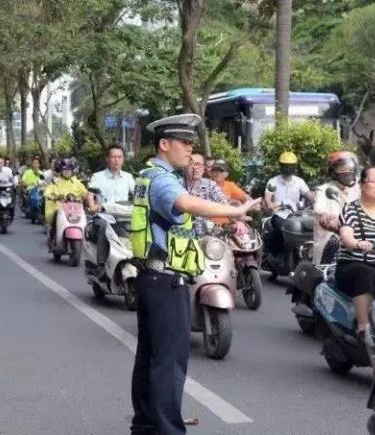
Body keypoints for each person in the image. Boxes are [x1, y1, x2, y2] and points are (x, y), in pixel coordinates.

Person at [129, 114, 260, 435]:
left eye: (191, 143)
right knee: (169, 361)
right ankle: (166, 429)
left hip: (153, 277)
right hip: (165, 280)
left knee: (150, 356)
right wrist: (236, 211)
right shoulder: (162, 180)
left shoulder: (150, 174)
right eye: (185, 143)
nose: (190, 150)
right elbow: (186, 203)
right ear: (164, 144)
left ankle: (145, 425)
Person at [335, 166, 375, 336]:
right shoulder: (350, 210)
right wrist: (357, 243)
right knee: (366, 272)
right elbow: (347, 237)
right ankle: (364, 327)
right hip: (352, 266)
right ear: (362, 185)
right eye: (374, 181)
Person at [86, 146, 136, 277]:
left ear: (123, 159)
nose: (116, 160)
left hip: (123, 217)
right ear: (107, 159)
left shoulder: (128, 177)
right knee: (103, 227)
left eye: (119, 157)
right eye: (113, 157)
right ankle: (101, 265)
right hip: (104, 216)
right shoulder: (98, 177)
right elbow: (90, 194)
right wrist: (93, 206)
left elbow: (137, 195)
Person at [313, 151, 360, 264]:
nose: (347, 172)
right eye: (343, 169)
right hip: (331, 238)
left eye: (350, 169)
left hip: (356, 235)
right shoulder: (324, 190)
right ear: (333, 172)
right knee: (334, 243)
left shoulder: (356, 190)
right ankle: (324, 278)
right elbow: (321, 212)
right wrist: (334, 221)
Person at [263, 151, 314, 253]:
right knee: (285, 231)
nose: (288, 168)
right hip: (278, 215)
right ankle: (282, 259)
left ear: (295, 167)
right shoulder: (273, 182)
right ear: (281, 166)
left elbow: (311, 197)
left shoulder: (299, 182)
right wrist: (279, 204)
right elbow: (267, 202)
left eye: (291, 166)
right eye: (285, 166)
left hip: (296, 215)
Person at [44, 159, 97, 240]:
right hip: (59, 208)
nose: (67, 172)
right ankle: (53, 235)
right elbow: (47, 193)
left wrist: (88, 196)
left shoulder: (77, 182)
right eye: (65, 170)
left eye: (69, 170)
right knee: (55, 217)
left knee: (87, 219)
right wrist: (57, 197)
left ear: (72, 171)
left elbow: (85, 193)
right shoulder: (55, 182)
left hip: (75, 209)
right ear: (61, 170)